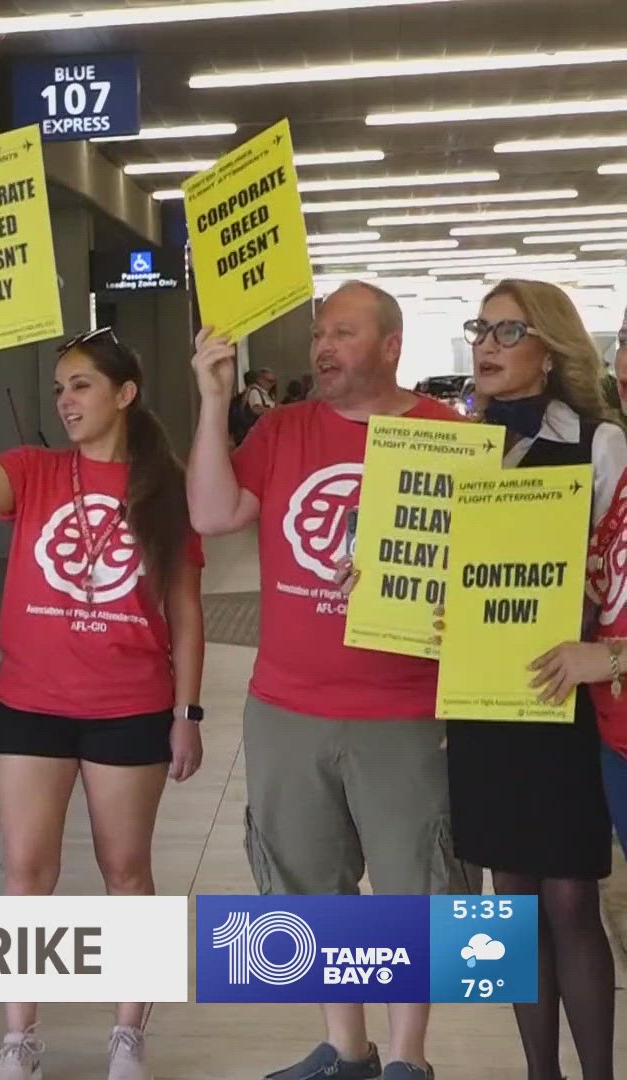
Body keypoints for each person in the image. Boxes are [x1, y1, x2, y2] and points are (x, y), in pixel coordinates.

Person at [188, 280, 477, 1080]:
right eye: (319, 332)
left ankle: (409, 1060)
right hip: (288, 703)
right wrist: (214, 402)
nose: (323, 347)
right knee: (308, 880)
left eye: (343, 332)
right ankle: (346, 1047)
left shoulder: (447, 435)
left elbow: (479, 570)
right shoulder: (282, 430)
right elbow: (212, 515)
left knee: (412, 885)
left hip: (405, 706)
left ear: (391, 346)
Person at [0, 321, 204, 1080]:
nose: (66, 402)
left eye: (81, 385)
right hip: (31, 702)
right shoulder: (36, 471)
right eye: (60, 389)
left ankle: (128, 1034)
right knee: (27, 870)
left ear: (125, 393)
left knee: (127, 872)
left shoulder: (164, 490)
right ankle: (19, 1039)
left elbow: (186, 612)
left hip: (130, 702)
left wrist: (187, 715)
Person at [439, 280, 624, 1080]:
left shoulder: (599, 441)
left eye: (507, 330)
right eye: (481, 327)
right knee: (509, 901)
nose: (486, 343)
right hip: (483, 696)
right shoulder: (458, 443)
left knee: (572, 897)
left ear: (549, 349)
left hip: (565, 695)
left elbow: (617, 571)